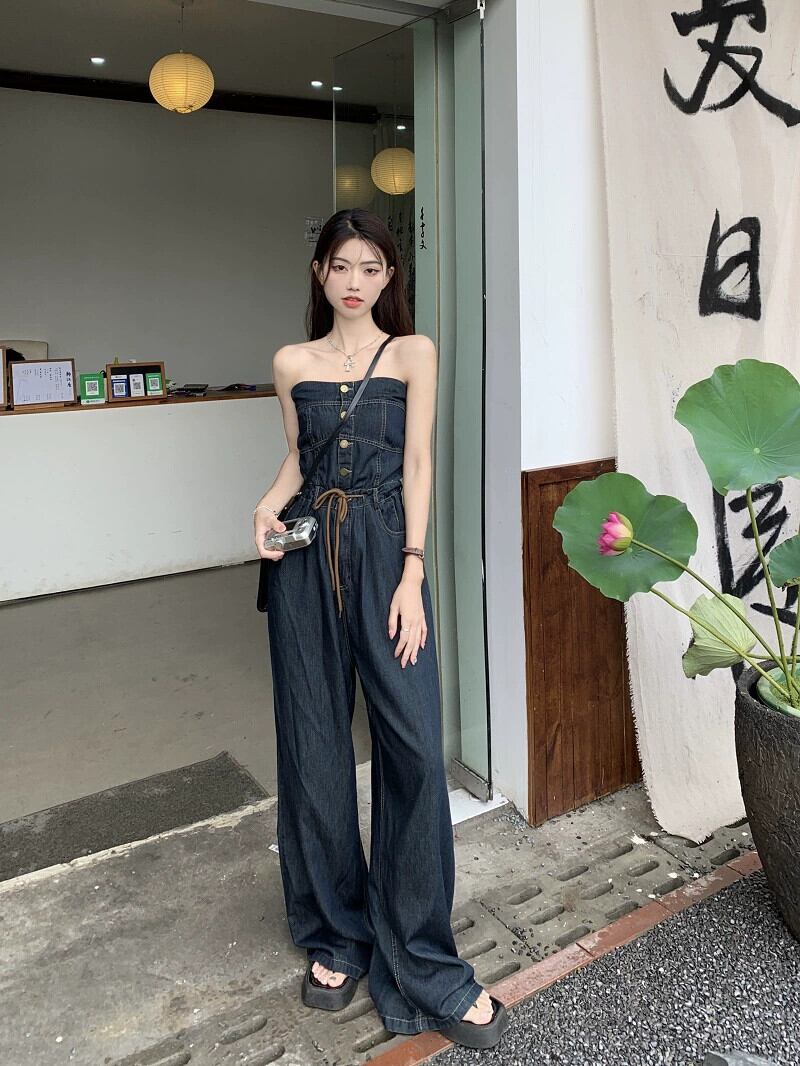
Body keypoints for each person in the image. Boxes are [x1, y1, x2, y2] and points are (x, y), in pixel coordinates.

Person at [252, 208, 509, 1050]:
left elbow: (418, 461)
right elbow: (301, 457)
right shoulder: (291, 362)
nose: (355, 281)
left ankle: (424, 959)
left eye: (371, 266)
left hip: (385, 550)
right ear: (319, 274)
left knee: (414, 748)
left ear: (389, 276)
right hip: (305, 561)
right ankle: (337, 933)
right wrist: (265, 506)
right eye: (341, 266)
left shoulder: (413, 353)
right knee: (314, 748)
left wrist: (412, 572)